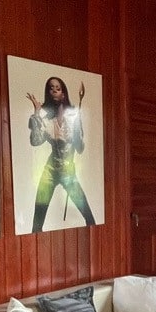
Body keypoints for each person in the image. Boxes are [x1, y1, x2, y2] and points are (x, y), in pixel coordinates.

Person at [26, 75, 95, 232]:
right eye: (51, 88)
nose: (54, 91)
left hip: (68, 172)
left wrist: (77, 134)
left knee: (88, 217)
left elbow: (80, 149)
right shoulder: (46, 119)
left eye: (57, 88)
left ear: (63, 93)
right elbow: (35, 141)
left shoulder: (73, 117)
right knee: (37, 223)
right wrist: (36, 113)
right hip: (49, 172)